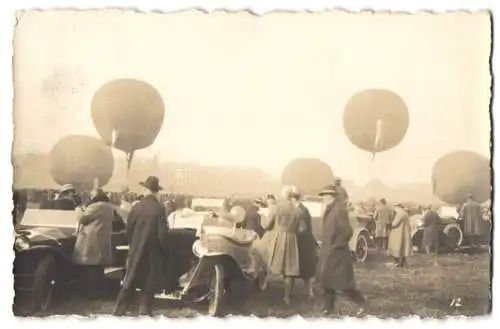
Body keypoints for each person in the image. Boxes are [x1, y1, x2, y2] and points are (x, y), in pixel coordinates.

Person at [113, 176, 169, 316]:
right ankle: (144, 311)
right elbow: (162, 234)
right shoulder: (159, 209)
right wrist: (163, 250)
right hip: (153, 251)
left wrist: (134, 244)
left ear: (144, 190)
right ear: (156, 192)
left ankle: (119, 309)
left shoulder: (136, 207)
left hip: (136, 248)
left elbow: (129, 230)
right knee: (149, 282)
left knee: (130, 278)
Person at [316, 185, 366, 315]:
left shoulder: (339, 210)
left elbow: (347, 232)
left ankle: (362, 303)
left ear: (332, 196)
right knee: (327, 282)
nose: (323, 198)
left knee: (344, 284)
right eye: (322, 196)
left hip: (338, 254)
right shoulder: (329, 209)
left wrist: (336, 245)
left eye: (325, 195)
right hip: (328, 252)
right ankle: (328, 308)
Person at [257, 186, 301, 305]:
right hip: (292, 239)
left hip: (279, 238)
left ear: (282, 195)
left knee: (270, 262)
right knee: (289, 268)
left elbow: (266, 225)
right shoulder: (297, 210)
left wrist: (261, 216)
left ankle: (264, 286)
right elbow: (300, 228)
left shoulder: (276, 208)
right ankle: (287, 297)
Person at [73, 189, 115, 299]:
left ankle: (88, 294)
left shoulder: (96, 206)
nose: (90, 198)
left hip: (91, 240)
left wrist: (78, 209)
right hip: (101, 239)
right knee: (98, 268)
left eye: (91, 195)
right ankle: (98, 293)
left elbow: (82, 218)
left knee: (90, 267)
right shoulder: (109, 207)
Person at [290, 187, 317, 298]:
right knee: (300, 268)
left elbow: (302, 229)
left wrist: (291, 231)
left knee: (302, 268)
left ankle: (309, 291)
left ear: (293, 199)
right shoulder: (302, 209)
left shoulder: (300, 211)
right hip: (304, 242)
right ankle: (307, 291)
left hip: (302, 242)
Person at [388, 203, 412, 268]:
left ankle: (397, 262)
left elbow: (395, 224)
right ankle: (404, 262)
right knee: (404, 247)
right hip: (405, 232)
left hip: (398, 232)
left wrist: (389, 224)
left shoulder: (398, 213)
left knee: (396, 246)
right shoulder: (405, 213)